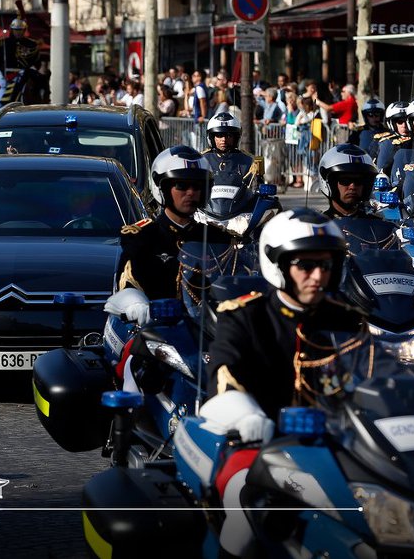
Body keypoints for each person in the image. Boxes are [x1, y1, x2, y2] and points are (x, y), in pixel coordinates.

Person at [202, 208, 366, 558]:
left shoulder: (348, 318)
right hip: (260, 444)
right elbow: (224, 375)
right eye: (306, 266)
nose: (318, 276)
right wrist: (245, 415)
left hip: (341, 445)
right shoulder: (246, 315)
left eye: (327, 265)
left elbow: (378, 372)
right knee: (246, 507)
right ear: (278, 265)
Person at [114, 146, 229, 304]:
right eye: (181, 185)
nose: (190, 193)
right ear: (163, 188)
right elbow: (127, 283)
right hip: (155, 326)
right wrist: (134, 302)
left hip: (208, 326)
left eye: (197, 186)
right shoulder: (142, 237)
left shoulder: (218, 239)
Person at [317, 143, 381, 220]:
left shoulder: (377, 226)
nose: (353, 187)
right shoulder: (318, 227)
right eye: (345, 181)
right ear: (331, 183)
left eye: (359, 181)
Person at [202, 111, 258, 179]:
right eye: (219, 135)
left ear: (236, 138)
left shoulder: (248, 161)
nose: (224, 140)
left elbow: (255, 187)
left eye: (229, 136)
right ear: (211, 137)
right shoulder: (203, 160)